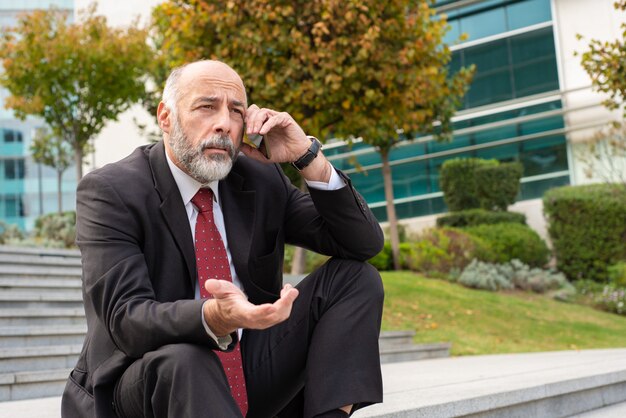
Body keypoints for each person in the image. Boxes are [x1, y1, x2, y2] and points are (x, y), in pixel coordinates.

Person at [61, 60, 384, 418]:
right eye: (207, 107)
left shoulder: (260, 179)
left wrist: (308, 157)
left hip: (244, 371)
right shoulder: (111, 191)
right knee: (187, 357)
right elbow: (127, 320)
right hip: (143, 388)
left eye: (236, 112)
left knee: (357, 278)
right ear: (165, 117)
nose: (224, 124)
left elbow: (362, 244)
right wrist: (213, 317)